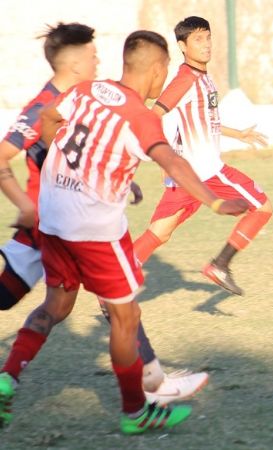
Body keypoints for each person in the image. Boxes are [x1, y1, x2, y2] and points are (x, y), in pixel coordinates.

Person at [0, 30, 248, 434]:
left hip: (55, 217)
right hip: (94, 230)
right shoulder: (141, 116)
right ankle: (136, 412)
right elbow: (172, 161)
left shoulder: (89, 91)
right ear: (156, 68)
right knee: (125, 316)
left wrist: (67, 168)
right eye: (165, 70)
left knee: (57, 306)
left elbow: (48, 120)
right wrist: (215, 201)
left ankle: (6, 377)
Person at [133, 16, 272, 296]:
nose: (206, 44)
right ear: (183, 46)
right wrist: (161, 155)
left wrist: (238, 134)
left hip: (186, 176)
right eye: (198, 39)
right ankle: (220, 265)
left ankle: (110, 285)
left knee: (159, 234)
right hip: (207, 172)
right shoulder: (185, 79)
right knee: (262, 208)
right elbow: (153, 115)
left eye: (208, 37)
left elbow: (205, 122)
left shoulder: (202, 78)